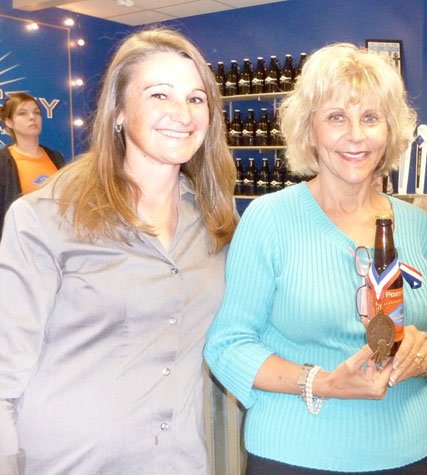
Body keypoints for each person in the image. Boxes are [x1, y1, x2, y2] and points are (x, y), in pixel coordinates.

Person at [204, 43, 427, 474]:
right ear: (310, 131)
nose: (356, 136)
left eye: (370, 118)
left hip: (411, 454)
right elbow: (228, 345)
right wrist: (322, 383)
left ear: (391, 132)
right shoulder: (269, 220)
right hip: (297, 455)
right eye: (336, 117)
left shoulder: (417, 227)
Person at [0, 27, 237, 475]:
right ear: (119, 112)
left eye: (196, 98)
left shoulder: (215, 226)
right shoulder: (45, 219)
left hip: (178, 463)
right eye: (159, 95)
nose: (182, 114)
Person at [0, 93, 65, 238]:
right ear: (9, 122)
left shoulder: (56, 158)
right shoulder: (4, 162)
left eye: (36, 112)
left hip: (57, 241)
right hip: (19, 246)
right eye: (22, 113)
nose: (32, 117)